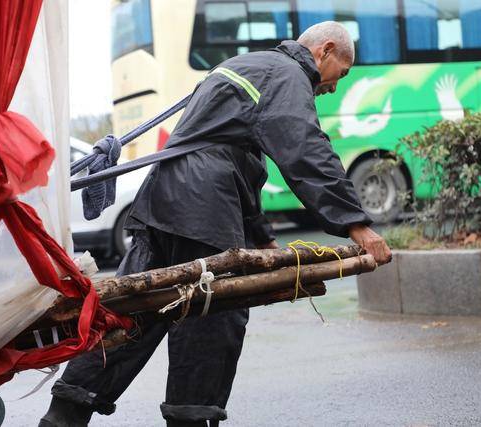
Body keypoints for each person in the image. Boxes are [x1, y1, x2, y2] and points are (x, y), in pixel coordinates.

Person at [40, 21, 391, 427]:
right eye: (340, 75)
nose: (333, 87)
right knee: (211, 316)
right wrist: (358, 226)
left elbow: (238, 164)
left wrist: (264, 240)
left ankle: (64, 414)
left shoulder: (246, 65)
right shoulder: (288, 76)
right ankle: (190, 420)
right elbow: (307, 151)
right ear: (325, 51)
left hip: (159, 204)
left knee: (133, 313)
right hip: (200, 209)